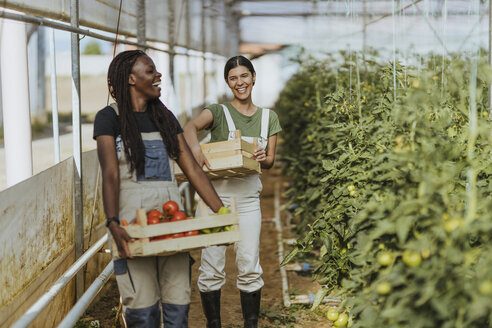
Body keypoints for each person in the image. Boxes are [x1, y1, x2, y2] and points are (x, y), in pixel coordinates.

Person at [93, 49, 225, 327]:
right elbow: (110, 175)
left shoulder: (165, 118)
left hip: (170, 224)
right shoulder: (110, 118)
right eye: (151, 71)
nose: (158, 75)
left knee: (178, 309)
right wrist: (113, 222)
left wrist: (222, 212)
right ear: (130, 78)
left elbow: (193, 170)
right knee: (143, 313)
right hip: (132, 227)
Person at [183, 55, 282, 328]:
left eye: (244, 76)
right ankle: (214, 324)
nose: (240, 83)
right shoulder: (218, 112)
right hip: (216, 199)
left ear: (253, 77)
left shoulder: (268, 118)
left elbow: (271, 161)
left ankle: (250, 324)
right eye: (233, 78)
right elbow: (190, 127)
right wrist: (196, 151)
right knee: (212, 265)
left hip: (249, 198)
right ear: (228, 82)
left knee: (249, 264)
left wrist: (262, 156)